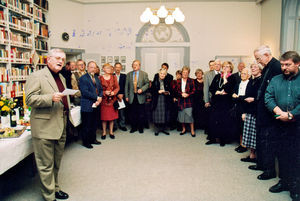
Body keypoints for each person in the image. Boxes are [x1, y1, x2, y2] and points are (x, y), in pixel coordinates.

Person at [25, 49, 70, 201]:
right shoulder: (36, 76)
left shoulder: (62, 77)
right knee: (45, 164)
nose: (61, 62)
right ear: (48, 59)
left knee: (56, 162)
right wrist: (50, 98)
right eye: (57, 58)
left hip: (61, 124)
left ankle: (55, 188)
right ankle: (49, 196)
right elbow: (30, 99)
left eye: (63, 60)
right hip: (44, 127)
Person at [265, 51, 300, 201]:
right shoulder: (276, 79)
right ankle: (283, 182)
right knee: (281, 154)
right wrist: (278, 111)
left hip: (297, 125)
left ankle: (295, 186)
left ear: (297, 63)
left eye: (288, 64)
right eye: (282, 64)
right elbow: (268, 96)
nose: (284, 67)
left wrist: (292, 114)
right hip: (279, 123)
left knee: (296, 157)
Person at [248, 45, 282, 181]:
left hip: (270, 113)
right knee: (261, 140)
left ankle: (269, 171)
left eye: (258, 58)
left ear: (267, 55)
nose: (258, 62)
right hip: (262, 111)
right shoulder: (267, 67)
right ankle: (261, 164)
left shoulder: (276, 67)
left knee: (268, 142)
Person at [207, 61, 235, 146]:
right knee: (213, 120)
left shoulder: (232, 78)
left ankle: (223, 140)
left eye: (228, 67)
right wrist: (217, 91)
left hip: (225, 104)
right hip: (216, 102)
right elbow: (211, 88)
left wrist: (225, 79)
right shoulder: (217, 76)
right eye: (224, 66)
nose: (225, 68)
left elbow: (228, 90)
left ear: (230, 69)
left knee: (223, 122)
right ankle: (212, 139)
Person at [240, 63, 262, 163]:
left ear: (260, 69)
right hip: (249, 110)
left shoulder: (262, 81)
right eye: (252, 67)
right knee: (249, 134)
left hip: (257, 111)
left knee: (255, 135)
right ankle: (252, 155)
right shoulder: (251, 81)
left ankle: (257, 156)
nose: (253, 69)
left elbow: (262, 96)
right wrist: (244, 112)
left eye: (255, 67)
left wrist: (254, 99)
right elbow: (245, 96)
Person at [79, 61, 103, 149]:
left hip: (96, 105)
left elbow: (100, 89)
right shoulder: (83, 78)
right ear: (87, 68)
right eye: (91, 67)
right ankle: (86, 142)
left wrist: (100, 98)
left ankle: (93, 139)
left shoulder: (96, 77)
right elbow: (85, 92)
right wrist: (97, 98)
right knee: (87, 124)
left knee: (94, 123)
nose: (93, 69)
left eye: (94, 67)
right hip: (87, 105)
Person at [125, 59, 149, 133]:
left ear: (139, 66)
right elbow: (126, 86)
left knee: (141, 113)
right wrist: (126, 96)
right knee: (132, 113)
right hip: (132, 96)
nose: (134, 66)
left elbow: (147, 84)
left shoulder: (144, 74)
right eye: (133, 64)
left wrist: (142, 89)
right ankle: (133, 128)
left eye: (136, 65)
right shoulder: (128, 74)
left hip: (141, 96)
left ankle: (140, 128)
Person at [232, 68, 250, 153]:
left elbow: (247, 97)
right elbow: (233, 96)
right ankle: (241, 143)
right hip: (238, 107)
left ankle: (244, 145)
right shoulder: (238, 84)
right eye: (242, 74)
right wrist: (238, 97)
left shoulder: (250, 84)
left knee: (244, 127)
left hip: (246, 107)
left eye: (244, 74)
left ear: (248, 75)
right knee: (239, 126)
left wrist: (238, 97)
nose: (242, 75)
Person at [99, 63, 120, 139]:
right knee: (104, 118)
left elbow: (117, 87)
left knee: (112, 117)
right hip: (104, 101)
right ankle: (104, 132)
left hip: (112, 100)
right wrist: (104, 92)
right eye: (106, 68)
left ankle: (111, 132)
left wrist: (113, 92)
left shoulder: (114, 77)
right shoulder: (99, 78)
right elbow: (97, 89)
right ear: (103, 69)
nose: (108, 69)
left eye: (109, 68)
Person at [175, 66, 196, 137]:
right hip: (180, 101)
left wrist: (188, 94)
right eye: (184, 72)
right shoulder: (178, 81)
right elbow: (176, 91)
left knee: (189, 116)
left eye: (186, 72)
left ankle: (192, 130)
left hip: (188, 101)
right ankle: (183, 129)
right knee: (182, 116)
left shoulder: (191, 80)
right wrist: (181, 94)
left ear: (188, 73)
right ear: (182, 73)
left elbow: (194, 90)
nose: (185, 74)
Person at [151, 68, 172, 136]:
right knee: (157, 114)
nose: (162, 75)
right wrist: (158, 91)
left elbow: (170, 90)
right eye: (161, 73)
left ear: (165, 75)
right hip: (157, 99)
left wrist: (168, 92)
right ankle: (157, 129)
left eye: (164, 74)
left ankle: (163, 129)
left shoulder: (168, 81)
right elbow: (152, 91)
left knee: (164, 114)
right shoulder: (155, 81)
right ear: (159, 74)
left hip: (165, 99)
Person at [114, 62, 127, 131]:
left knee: (122, 112)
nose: (117, 69)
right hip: (114, 96)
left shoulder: (124, 76)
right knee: (114, 111)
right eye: (116, 67)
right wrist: (116, 95)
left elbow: (126, 86)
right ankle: (115, 126)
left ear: (121, 68)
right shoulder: (112, 76)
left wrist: (122, 94)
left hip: (122, 96)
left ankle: (122, 125)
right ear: (114, 68)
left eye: (119, 67)